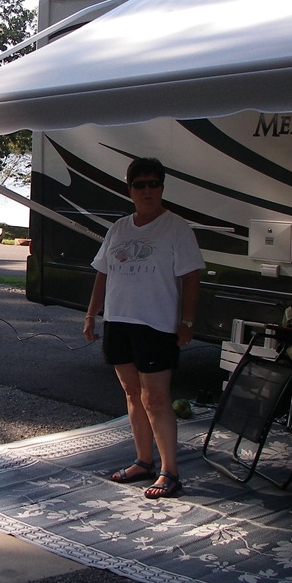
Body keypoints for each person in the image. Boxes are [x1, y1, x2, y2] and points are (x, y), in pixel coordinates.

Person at [82, 157, 204, 500]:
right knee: (133, 395)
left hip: (156, 323)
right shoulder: (119, 228)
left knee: (156, 398)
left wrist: (187, 321)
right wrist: (92, 314)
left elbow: (191, 277)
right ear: (130, 190)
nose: (147, 190)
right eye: (140, 185)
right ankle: (143, 461)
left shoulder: (176, 227)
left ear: (162, 187)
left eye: (154, 184)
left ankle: (170, 472)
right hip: (119, 321)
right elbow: (102, 272)